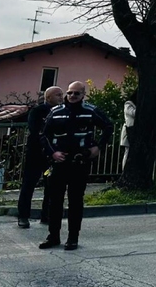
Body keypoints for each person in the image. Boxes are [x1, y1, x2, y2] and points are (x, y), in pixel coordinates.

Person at [39, 81, 114, 250]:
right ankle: (53, 236)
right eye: (69, 93)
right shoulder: (55, 111)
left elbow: (108, 126)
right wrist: (53, 153)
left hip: (80, 162)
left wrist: (98, 147)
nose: (72, 96)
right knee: (54, 201)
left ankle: (73, 238)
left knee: (75, 201)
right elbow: (44, 135)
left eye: (76, 94)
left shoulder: (91, 111)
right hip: (59, 162)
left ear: (83, 95)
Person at [17, 85, 63, 228]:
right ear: (48, 97)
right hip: (36, 153)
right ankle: (23, 216)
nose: (61, 98)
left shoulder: (62, 111)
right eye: (58, 95)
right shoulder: (37, 111)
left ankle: (46, 215)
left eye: (62, 95)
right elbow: (35, 130)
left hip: (53, 154)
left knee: (51, 185)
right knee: (29, 184)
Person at [120, 90, 136, 170]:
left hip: (134, 130)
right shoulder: (128, 104)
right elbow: (133, 113)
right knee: (128, 151)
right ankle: (125, 170)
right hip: (129, 129)